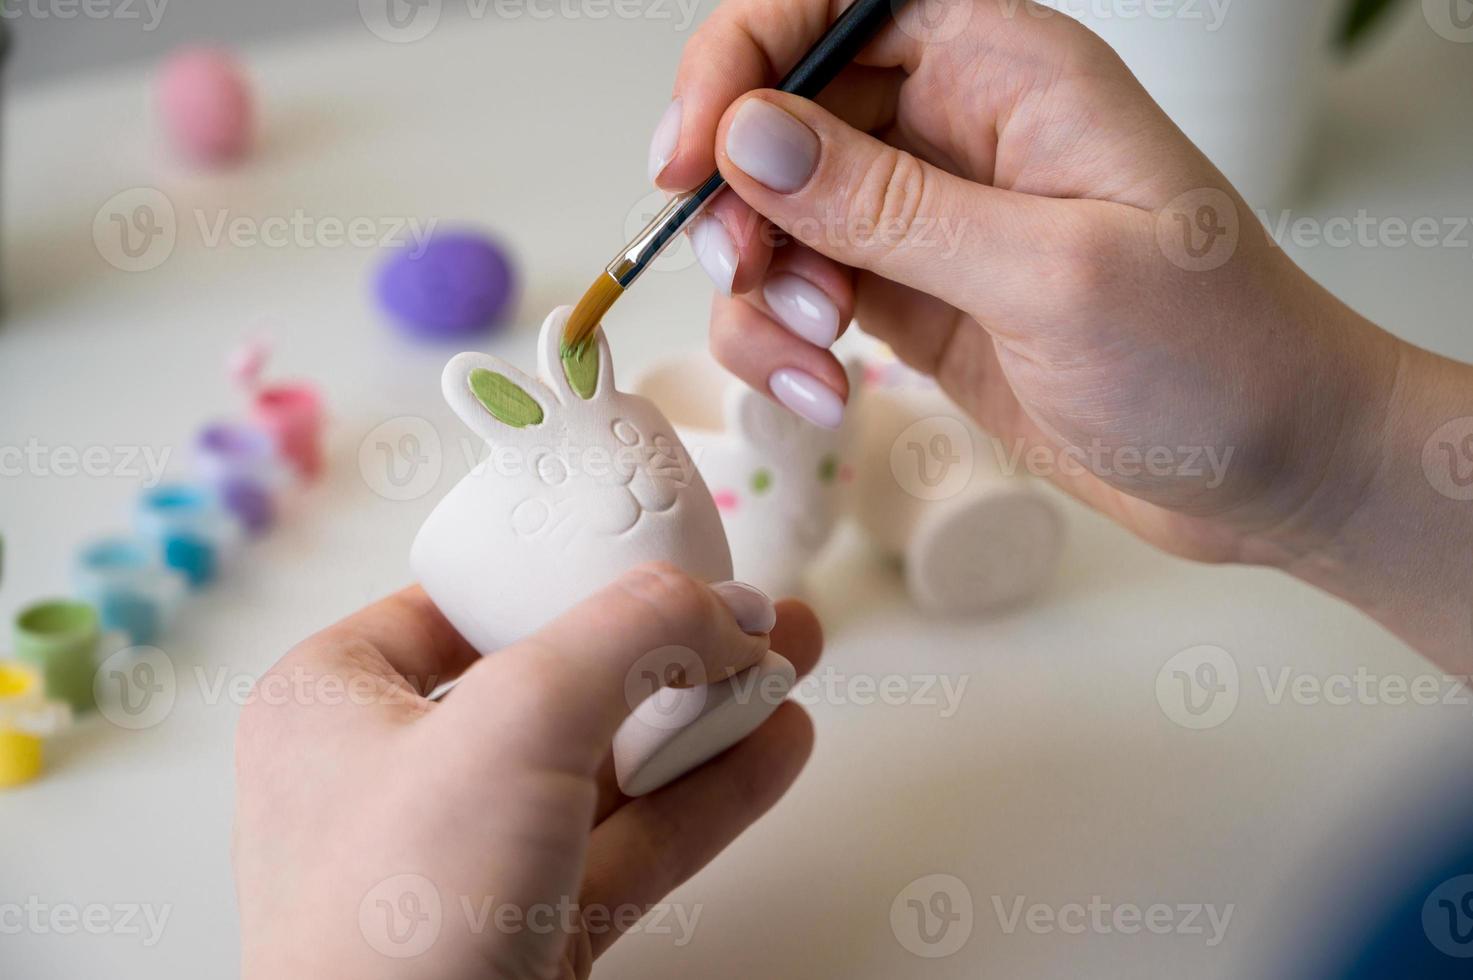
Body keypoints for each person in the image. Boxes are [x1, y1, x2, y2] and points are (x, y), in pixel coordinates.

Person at [236, 1, 1473, 975]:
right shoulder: (513, 538)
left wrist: (1340, 463)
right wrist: (1341, 463)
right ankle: (680, 695)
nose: (626, 489)